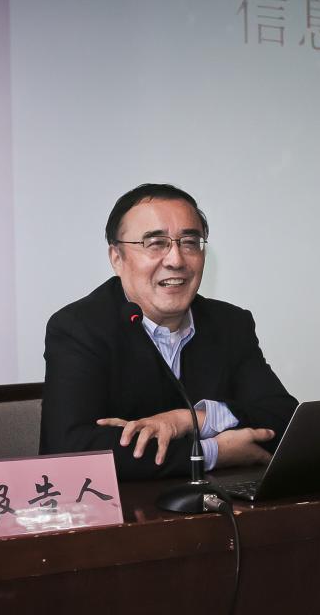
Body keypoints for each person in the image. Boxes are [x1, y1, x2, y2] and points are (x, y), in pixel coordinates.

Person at [39, 183, 298, 480]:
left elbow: (284, 419)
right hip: (126, 506)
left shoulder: (229, 323)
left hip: (219, 503)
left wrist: (190, 420)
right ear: (117, 258)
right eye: (156, 243)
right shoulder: (78, 327)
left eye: (189, 242)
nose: (176, 260)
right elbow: (71, 449)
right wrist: (212, 452)